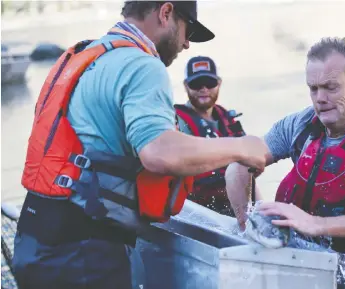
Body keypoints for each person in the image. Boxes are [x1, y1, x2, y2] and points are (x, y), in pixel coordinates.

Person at [12, 1, 268, 289]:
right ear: (166, 12)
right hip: (85, 253)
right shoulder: (143, 65)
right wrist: (241, 147)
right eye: (187, 30)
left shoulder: (83, 56)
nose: (186, 44)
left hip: (34, 240)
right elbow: (158, 153)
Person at [225, 37, 345, 288]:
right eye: (313, 88)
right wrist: (248, 227)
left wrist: (315, 224)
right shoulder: (301, 124)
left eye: (331, 87)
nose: (320, 98)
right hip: (302, 269)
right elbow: (240, 165)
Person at [175, 56, 261, 216]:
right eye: (196, 84)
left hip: (235, 207)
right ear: (186, 86)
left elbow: (249, 168)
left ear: (219, 83)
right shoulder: (176, 120)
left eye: (209, 83)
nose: (204, 89)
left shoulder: (227, 118)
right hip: (197, 211)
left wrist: (260, 208)